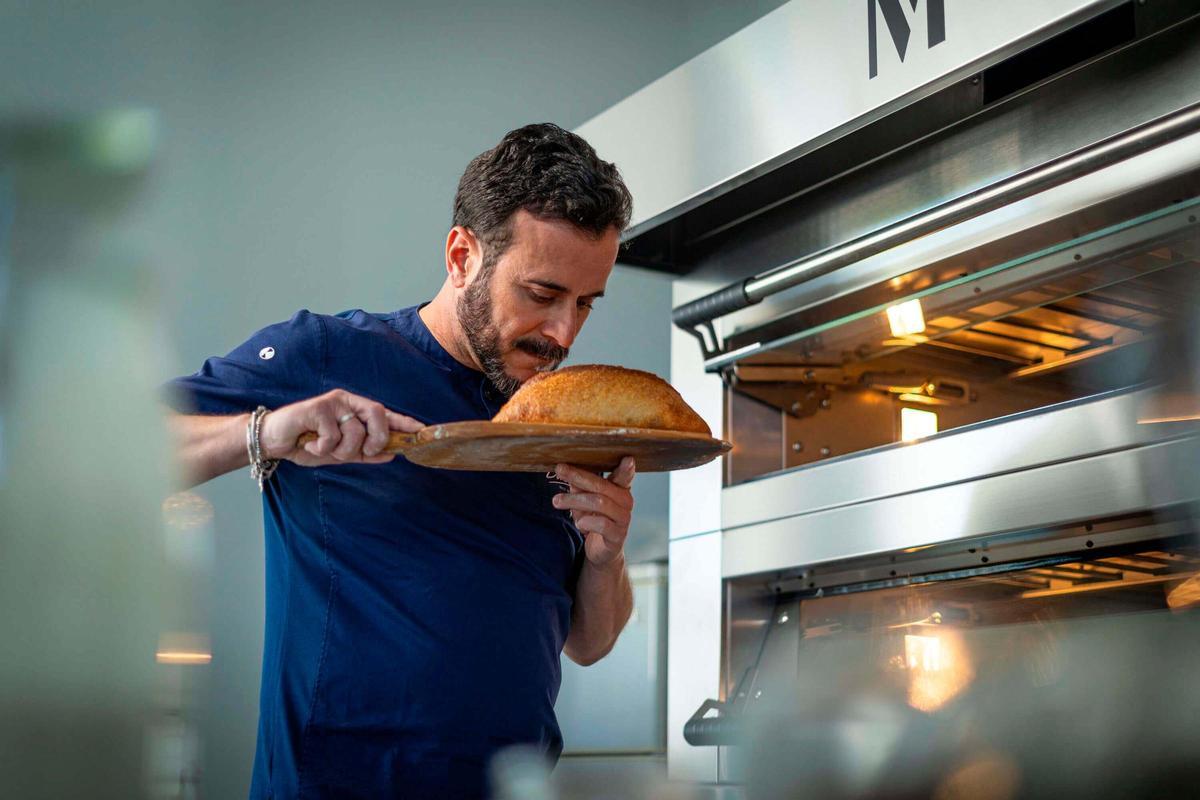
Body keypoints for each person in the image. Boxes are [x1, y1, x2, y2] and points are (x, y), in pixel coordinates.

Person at [164, 123, 637, 798]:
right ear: (462, 255)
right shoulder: (324, 354)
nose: (563, 333)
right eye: (541, 294)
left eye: (585, 303)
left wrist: (606, 557)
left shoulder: (559, 418)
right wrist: (267, 432)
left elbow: (590, 644)